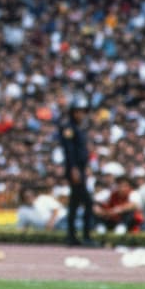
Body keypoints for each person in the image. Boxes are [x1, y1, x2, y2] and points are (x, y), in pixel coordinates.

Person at [57, 96, 98, 246]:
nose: (81, 115)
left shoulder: (81, 128)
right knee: (87, 202)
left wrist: (86, 167)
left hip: (81, 168)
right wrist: (74, 169)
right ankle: (86, 236)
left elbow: (83, 151)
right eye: (78, 112)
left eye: (83, 112)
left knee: (74, 204)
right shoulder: (69, 128)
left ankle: (71, 236)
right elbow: (69, 151)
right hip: (74, 169)